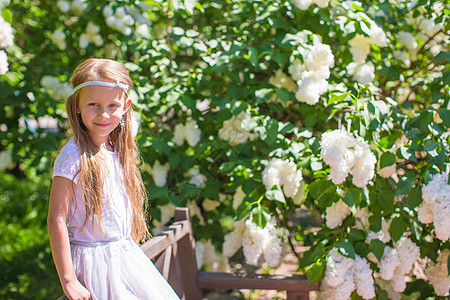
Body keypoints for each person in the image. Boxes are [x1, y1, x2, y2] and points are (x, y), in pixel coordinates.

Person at [47, 58, 180, 300]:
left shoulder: (115, 148)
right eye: (93, 104)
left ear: (126, 105)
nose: (104, 114)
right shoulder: (73, 157)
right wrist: (69, 281)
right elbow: (56, 218)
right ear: (77, 105)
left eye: (112, 105)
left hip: (124, 255)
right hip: (96, 263)